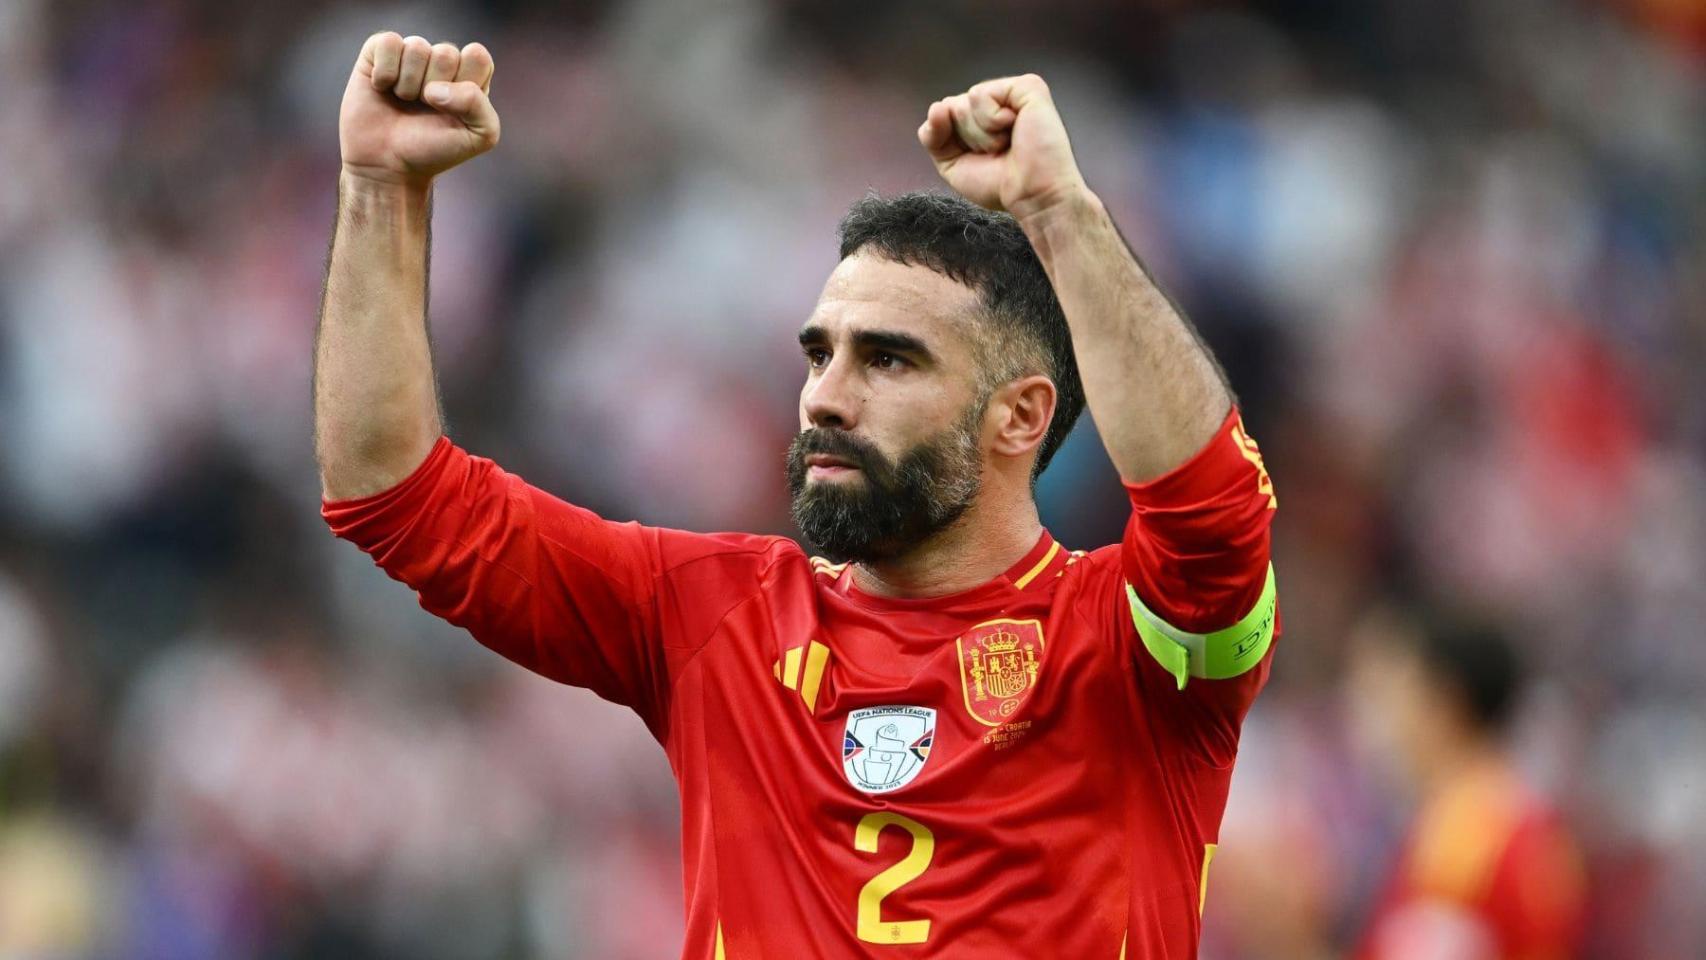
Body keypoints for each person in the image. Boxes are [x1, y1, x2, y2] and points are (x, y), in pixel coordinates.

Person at [314, 31, 1279, 959]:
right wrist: (377, 188)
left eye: (888, 359)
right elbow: (390, 493)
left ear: (1020, 417)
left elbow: (1213, 513)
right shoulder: (711, 617)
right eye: (821, 353)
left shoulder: (1138, 648)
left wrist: (1062, 212)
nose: (826, 393)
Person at [1347, 605, 1586, 960]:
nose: (1364, 710)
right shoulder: (1469, 825)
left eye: (1384, 687)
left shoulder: (1470, 849)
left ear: (1444, 702)